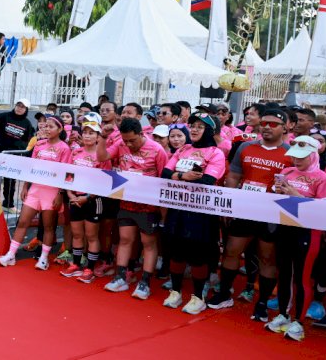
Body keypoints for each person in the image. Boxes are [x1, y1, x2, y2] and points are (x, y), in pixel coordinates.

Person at [206, 108, 294, 320]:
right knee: (231, 251)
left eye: (273, 124)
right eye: (263, 123)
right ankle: (224, 294)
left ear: (285, 128)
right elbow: (234, 176)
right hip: (244, 209)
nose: (266, 127)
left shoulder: (291, 153)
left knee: (267, 259)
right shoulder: (246, 147)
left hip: (271, 213)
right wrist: (228, 204)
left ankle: (262, 303)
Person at [266, 136, 326, 341]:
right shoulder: (287, 172)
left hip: (308, 232)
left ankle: (299, 322)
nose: (296, 161)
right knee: (284, 274)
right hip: (285, 227)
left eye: (301, 157)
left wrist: (298, 196)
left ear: (313, 155)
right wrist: (276, 191)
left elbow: (324, 210)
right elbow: (273, 200)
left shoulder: (323, 178)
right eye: (294, 157)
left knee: (302, 278)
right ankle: (283, 314)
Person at [160, 113, 226, 315]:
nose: (194, 130)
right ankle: (176, 292)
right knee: (176, 252)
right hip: (177, 207)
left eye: (200, 126)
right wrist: (183, 176)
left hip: (201, 212)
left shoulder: (216, 153)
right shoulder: (183, 149)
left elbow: (207, 181)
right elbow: (165, 173)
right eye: (192, 125)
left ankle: (198, 297)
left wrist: (179, 177)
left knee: (198, 256)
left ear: (210, 131)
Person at [98, 118, 169, 299]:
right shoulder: (121, 144)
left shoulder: (157, 150)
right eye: (125, 140)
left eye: (132, 140)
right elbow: (102, 157)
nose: (128, 144)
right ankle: (120, 277)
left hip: (148, 206)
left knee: (148, 244)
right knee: (125, 239)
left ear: (141, 134)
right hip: (126, 202)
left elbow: (164, 180)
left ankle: (145, 283)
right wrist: (103, 138)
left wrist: (163, 213)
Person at [0, 115, 70, 270]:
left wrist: (60, 194)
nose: (47, 129)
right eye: (46, 126)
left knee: (49, 227)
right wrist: (25, 187)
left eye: (51, 127)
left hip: (51, 192)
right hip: (35, 190)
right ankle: (11, 255)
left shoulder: (64, 148)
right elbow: (31, 168)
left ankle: (43, 259)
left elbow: (65, 174)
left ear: (60, 129)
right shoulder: (39, 144)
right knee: (23, 222)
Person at [59, 118, 109, 282]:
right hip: (75, 198)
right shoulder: (75, 152)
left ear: (98, 136)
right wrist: (70, 194)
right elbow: (68, 174)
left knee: (91, 236)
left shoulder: (102, 155)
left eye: (91, 133)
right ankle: (75, 265)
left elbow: (104, 182)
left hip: (93, 200)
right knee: (77, 234)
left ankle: (90, 269)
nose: (87, 136)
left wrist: (86, 198)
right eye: (85, 132)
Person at [0, 99, 35, 209]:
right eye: (18, 105)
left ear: (26, 109)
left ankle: (8, 204)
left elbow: (27, 141)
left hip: (13, 155)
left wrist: (17, 147)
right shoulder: (3, 116)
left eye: (22, 107)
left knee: (10, 181)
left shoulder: (27, 123)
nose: (19, 108)